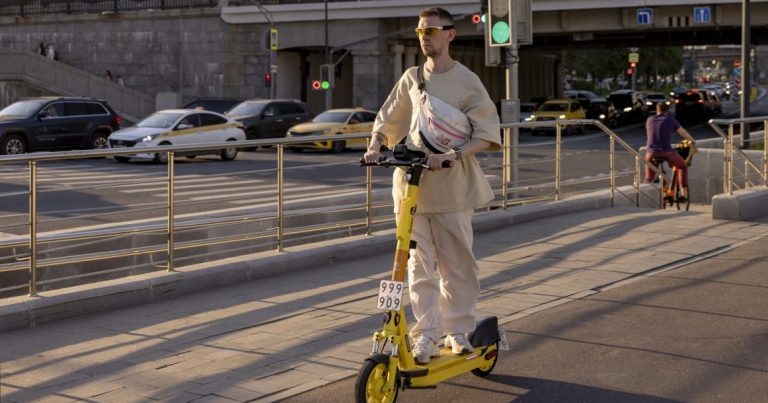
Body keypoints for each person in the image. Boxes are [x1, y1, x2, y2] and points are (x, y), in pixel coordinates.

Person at [363, 7, 501, 364]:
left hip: (451, 187)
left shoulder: (467, 80)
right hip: (411, 188)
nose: (425, 37)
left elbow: (487, 135)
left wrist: (454, 153)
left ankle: (457, 330)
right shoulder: (411, 77)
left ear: (450, 35)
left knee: (457, 265)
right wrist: (376, 144)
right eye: (421, 31)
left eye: (433, 31)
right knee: (417, 266)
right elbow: (388, 118)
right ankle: (425, 333)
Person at [644, 102, 696, 199]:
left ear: (657, 110)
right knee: (682, 166)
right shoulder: (670, 120)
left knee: (650, 176)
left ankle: (646, 190)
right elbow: (683, 132)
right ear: (667, 111)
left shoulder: (649, 120)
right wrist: (692, 140)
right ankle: (683, 193)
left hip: (651, 152)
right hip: (666, 151)